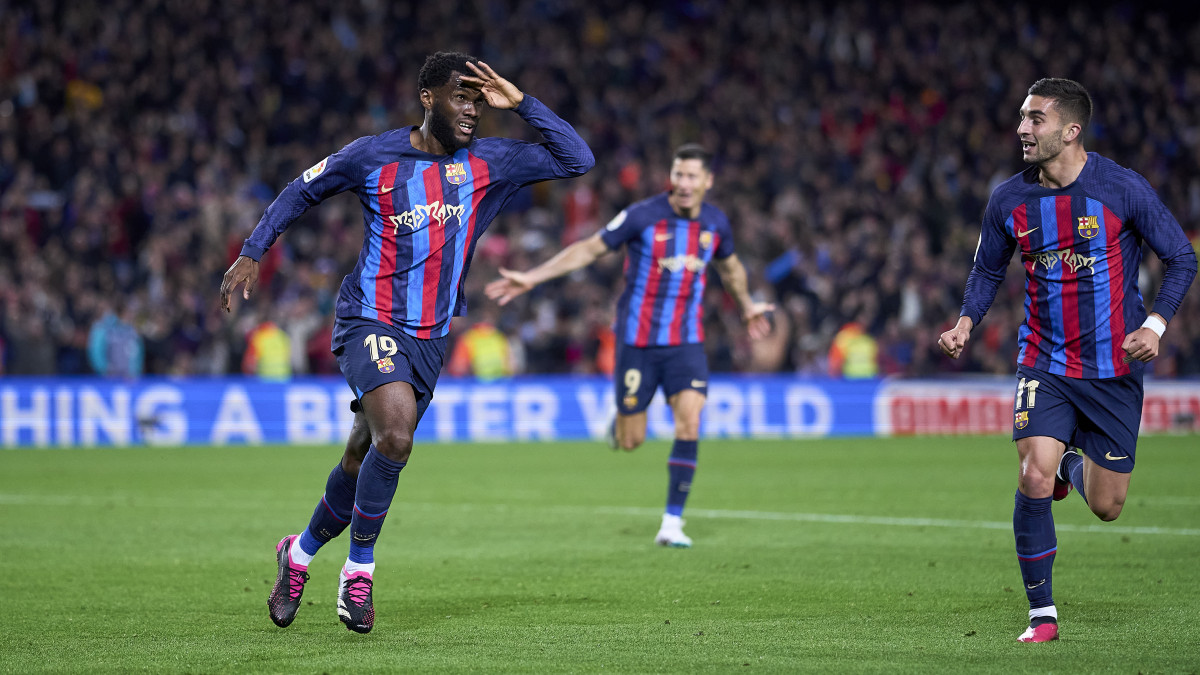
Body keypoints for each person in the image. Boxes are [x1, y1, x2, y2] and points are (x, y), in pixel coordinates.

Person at [219, 52, 594, 634]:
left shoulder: (490, 161)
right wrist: (251, 251)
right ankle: (358, 573)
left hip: (431, 336)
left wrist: (520, 103)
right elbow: (301, 189)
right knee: (395, 436)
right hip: (368, 318)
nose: (470, 109)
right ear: (427, 98)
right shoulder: (373, 156)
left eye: (475, 99)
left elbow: (578, 158)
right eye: (458, 96)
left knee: (361, 456)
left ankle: (296, 555)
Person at [938, 78, 1196, 644]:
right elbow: (986, 270)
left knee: (1108, 507)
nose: (1022, 129)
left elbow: (1181, 257)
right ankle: (1041, 615)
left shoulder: (1121, 189)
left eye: (1035, 119)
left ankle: (1070, 469)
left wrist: (1155, 324)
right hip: (1044, 363)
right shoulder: (1009, 199)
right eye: (1022, 118)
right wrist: (965, 321)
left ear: (1070, 131)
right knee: (1031, 473)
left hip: (1112, 370)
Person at [485, 143, 773, 548]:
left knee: (690, 419)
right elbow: (589, 248)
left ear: (708, 181)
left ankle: (672, 522)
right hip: (637, 342)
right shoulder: (642, 216)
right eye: (678, 174)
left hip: (685, 342)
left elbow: (730, 267)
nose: (684, 183)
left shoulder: (715, 223)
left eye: (692, 176)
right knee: (632, 440)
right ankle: (621, 420)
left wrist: (746, 307)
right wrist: (534, 277)